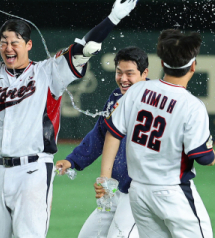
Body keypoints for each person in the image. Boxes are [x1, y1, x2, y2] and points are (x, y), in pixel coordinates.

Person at [0, 0, 139, 237]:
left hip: (32, 171)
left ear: (29, 44)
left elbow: (84, 48)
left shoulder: (48, 72)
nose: (8, 48)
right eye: (3, 42)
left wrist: (113, 19)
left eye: (15, 42)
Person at [99, 30, 215, 238]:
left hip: (138, 192)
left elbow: (113, 133)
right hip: (172, 192)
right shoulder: (192, 105)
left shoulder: (137, 91)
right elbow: (204, 158)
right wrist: (212, 154)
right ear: (193, 66)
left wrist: (104, 177)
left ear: (162, 64)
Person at [55, 46, 148, 238]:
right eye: (119, 72)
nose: (123, 79)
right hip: (115, 190)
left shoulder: (153, 103)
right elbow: (100, 134)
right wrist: (73, 160)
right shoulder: (115, 98)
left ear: (144, 73)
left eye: (130, 73)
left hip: (138, 193)